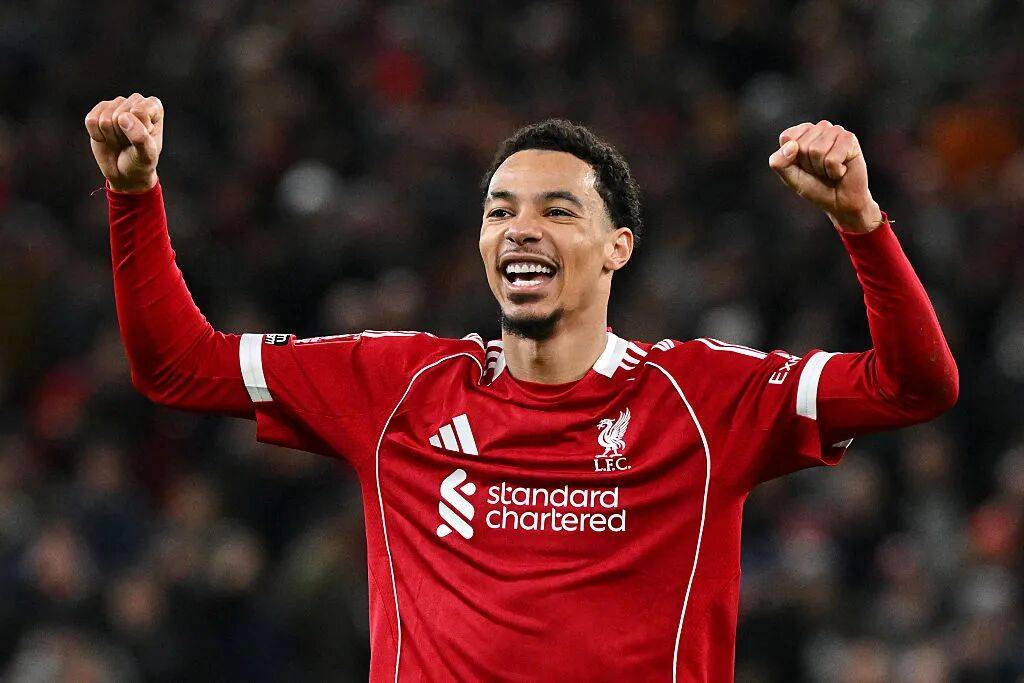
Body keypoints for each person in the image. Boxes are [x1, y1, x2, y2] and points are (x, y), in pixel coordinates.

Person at [85, 92, 957, 682]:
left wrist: (861, 223)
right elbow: (177, 365)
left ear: (617, 248)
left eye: (557, 210)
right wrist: (133, 193)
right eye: (500, 210)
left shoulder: (703, 397)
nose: (519, 229)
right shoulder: (399, 385)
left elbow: (914, 386)